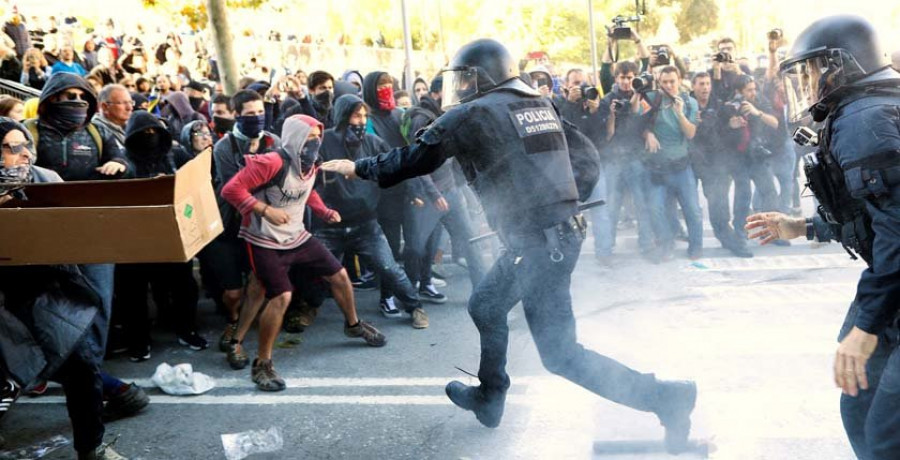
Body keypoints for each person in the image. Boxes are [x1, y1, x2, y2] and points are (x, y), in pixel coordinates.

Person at [322, 38, 697, 454]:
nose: (460, 89)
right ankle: (494, 396)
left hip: (539, 243)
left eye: (465, 79)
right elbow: (588, 159)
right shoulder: (539, 103)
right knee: (509, 320)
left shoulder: (473, 112)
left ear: (483, 77)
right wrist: (560, 202)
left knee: (547, 346)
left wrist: (359, 167)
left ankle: (662, 398)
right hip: (557, 235)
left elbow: (414, 159)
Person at [746, 15, 900, 460]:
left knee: (887, 436)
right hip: (892, 289)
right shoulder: (871, 106)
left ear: (840, 68)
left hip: (893, 288)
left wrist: (866, 327)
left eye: (812, 71)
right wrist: (801, 226)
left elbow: (897, 235)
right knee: (860, 406)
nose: (807, 83)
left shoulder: (864, 119)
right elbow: (875, 217)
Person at [221, 114, 386, 391]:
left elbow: (306, 191)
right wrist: (264, 209)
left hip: (297, 236)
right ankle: (261, 362)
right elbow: (230, 189)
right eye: (308, 139)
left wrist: (324, 211)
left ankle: (353, 324)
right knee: (277, 294)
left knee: (339, 274)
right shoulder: (272, 162)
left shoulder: (309, 164)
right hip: (264, 240)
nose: (314, 144)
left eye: (317, 138)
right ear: (295, 139)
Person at [117, 111, 209, 362]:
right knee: (133, 293)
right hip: (135, 239)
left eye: (154, 131)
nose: (150, 137)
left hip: (173, 231)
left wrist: (171, 183)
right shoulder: (124, 160)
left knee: (184, 287)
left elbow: (195, 183)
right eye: (144, 133)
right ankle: (139, 341)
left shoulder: (175, 154)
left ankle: (187, 330)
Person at [27, 73, 130, 182]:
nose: (78, 100)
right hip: (42, 196)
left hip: (88, 196)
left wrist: (118, 164)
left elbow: (119, 158)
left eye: (83, 97)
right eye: (71, 96)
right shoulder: (30, 130)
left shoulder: (98, 131)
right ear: (53, 97)